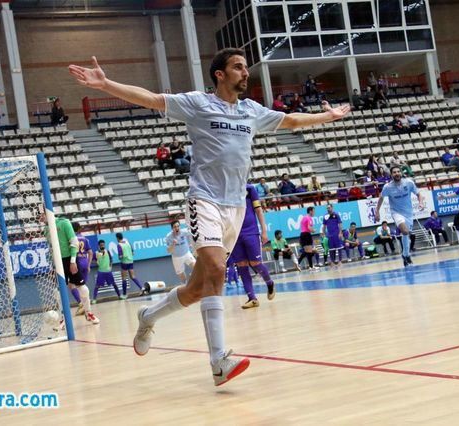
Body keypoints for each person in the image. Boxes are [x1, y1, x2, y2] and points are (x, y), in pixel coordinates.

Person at [69, 47, 350, 386]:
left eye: (246, 67)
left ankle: (149, 315)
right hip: (205, 200)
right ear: (220, 74)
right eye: (238, 67)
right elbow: (153, 99)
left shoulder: (251, 110)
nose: (245, 73)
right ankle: (219, 362)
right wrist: (107, 85)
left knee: (197, 289)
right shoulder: (198, 104)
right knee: (217, 269)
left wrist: (328, 117)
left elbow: (289, 120)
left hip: (236, 207)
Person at [41, 212, 99, 324]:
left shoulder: (64, 223)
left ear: (47, 213)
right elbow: (51, 248)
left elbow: (74, 242)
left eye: (42, 214)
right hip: (57, 262)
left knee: (83, 288)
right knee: (57, 290)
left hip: (69, 259)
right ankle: (63, 319)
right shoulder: (46, 229)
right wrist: (51, 265)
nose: (40, 217)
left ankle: (89, 313)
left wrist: (73, 261)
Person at [229, 184, 278, 309]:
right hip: (235, 235)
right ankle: (252, 298)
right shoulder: (225, 189)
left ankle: (269, 282)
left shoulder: (249, 188)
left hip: (251, 232)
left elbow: (258, 210)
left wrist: (264, 231)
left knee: (256, 263)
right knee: (242, 266)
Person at [375, 166, 425, 266]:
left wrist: (421, 203)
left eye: (398, 171)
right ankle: (406, 254)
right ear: (391, 174)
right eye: (394, 172)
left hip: (409, 213)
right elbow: (381, 198)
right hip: (396, 213)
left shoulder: (409, 182)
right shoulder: (387, 187)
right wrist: (377, 211)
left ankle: (405, 254)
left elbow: (419, 194)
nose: (397, 173)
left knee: (406, 234)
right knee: (405, 231)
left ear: (401, 173)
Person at [165, 220, 197, 286]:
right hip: (177, 257)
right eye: (175, 227)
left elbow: (194, 234)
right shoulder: (169, 237)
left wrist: (191, 244)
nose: (177, 228)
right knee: (182, 276)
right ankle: (185, 286)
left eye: (178, 226)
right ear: (172, 228)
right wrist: (173, 244)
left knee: (196, 267)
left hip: (186, 253)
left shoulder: (184, 232)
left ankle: (193, 278)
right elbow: (169, 251)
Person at [72, 222, 93, 316]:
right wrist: (88, 265)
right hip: (85, 262)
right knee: (83, 286)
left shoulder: (72, 239)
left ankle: (82, 305)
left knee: (72, 285)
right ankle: (87, 308)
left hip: (78, 262)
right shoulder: (85, 239)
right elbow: (91, 253)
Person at [116, 232, 144, 298]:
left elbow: (120, 256)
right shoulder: (127, 242)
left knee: (124, 278)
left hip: (124, 262)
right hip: (131, 261)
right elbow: (133, 252)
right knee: (133, 276)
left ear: (117, 238)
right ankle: (141, 287)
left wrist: (120, 257)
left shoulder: (119, 245)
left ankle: (125, 294)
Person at [297, 206, 319, 270]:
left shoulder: (304, 217)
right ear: (310, 211)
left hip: (303, 235)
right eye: (313, 211)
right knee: (309, 251)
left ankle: (309, 266)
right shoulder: (309, 218)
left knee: (307, 251)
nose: (314, 212)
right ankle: (310, 266)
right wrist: (313, 230)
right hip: (306, 235)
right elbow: (309, 227)